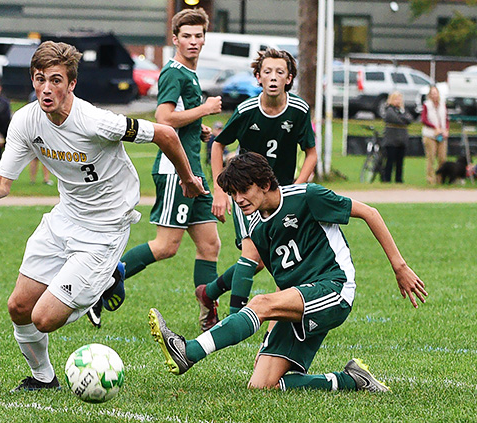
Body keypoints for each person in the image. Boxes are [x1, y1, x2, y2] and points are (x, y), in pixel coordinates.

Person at [0, 40, 206, 392]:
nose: (47, 88)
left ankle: (104, 281)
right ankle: (44, 379)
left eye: (56, 80)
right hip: (65, 217)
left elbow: (164, 133)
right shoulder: (26, 122)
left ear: (71, 84)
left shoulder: (95, 120)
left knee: (43, 318)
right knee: (19, 307)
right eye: (40, 78)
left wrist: (187, 179)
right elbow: (1, 183)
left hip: (105, 228)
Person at [149, 152, 427, 393]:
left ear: (266, 184)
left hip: (334, 287)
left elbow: (370, 213)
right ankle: (350, 380)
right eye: (233, 193)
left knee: (259, 302)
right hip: (299, 301)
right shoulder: (257, 226)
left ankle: (189, 352)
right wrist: (269, 326)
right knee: (261, 386)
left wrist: (399, 267)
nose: (239, 199)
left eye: (244, 190)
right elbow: (273, 278)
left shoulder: (307, 196)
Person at [106, 8, 222, 330]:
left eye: (198, 36)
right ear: (175, 39)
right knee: (166, 246)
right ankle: (107, 277)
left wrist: (198, 127)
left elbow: (179, 119)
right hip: (176, 171)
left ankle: (208, 314)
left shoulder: (190, 73)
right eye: (187, 36)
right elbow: (163, 119)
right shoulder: (174, 73)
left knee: (210, 244)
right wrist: (206, 108)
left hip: (193, 168)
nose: (194, 42)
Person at [197, 48, 317, 330]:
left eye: (279, 72)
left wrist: (296, 189)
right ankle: (235, 320)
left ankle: (208, 293)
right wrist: (218, 189)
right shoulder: (246, 110)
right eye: (267, 72)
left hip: (279, 195)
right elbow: (217, 144)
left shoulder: (299, 110)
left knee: (262, 260)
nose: (273, 77)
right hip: (246, 193)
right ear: (257, 77)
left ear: (289, 78)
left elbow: (311, 153)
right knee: (251, 254)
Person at [382, 91, 412, 183]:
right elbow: (394, 119)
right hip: (391, 140)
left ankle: (398, 179)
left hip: (402, 140)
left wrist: (403, 119)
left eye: (399, 99)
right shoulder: (389, 110)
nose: (398, 101)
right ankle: (387, 179)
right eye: (396, 99)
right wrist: (403, 120)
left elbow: (410, 119)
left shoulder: (403, 110)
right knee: (390, 161)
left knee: (400, 162)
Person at [421, 85, 449, 185]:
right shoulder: (426, 105)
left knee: (442, 158)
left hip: (441, 135)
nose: (434, 95)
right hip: (430, 135)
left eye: (435, 93)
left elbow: (446, 119)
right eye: (432, 93)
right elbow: (424, 119)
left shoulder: (443, 104)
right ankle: (430, 180)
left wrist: (446, 130)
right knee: (431, 158)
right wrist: (434, 127)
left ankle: (440, 179)